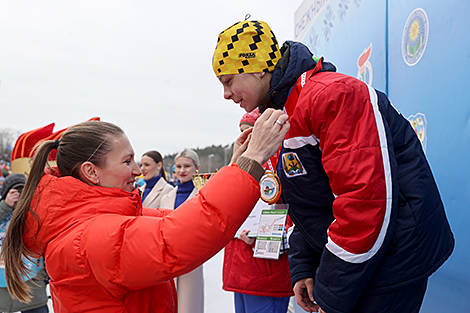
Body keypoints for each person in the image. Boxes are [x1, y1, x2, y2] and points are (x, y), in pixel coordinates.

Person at [212, 19, 454, 313]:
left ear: (258, 67)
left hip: (390, 261)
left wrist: (331, 292)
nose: (225, 93)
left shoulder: (331, 95)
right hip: (362, 264)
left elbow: (365, 202)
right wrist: (304, 265)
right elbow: (308, 200)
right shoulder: (285, 109)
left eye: (228, 81)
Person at [1, 116, 289, 313]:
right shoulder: (93, 235)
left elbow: (182, 216)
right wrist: (251, 163)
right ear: (91, 172)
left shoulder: (93, 219)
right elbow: (178, 238)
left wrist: (236, 166)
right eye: (127, 161)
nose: (137, 170)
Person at [222, 109, 293, 313]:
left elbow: (297, 213)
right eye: (242, 133)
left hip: (266, 271)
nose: (247, 140)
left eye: (252, 132)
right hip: (241, 266)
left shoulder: (284, 160)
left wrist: (264, 235)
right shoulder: (240, 165)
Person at [160, 149, 203, 313]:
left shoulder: (203, 195)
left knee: (189, 306)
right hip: (167, 260)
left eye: (187, 166)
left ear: (196, 168)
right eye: (178, 166)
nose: (182, 171)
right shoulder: (167, 197)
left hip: (191, 259)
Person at [0, 174, 49, 313]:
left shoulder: (35, 211)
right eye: (15, 191)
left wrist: (45, 277)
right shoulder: (1, 208)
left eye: (23, 190)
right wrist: (5, 205)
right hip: (2, 289)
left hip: (32, 287)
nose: (19, 195)